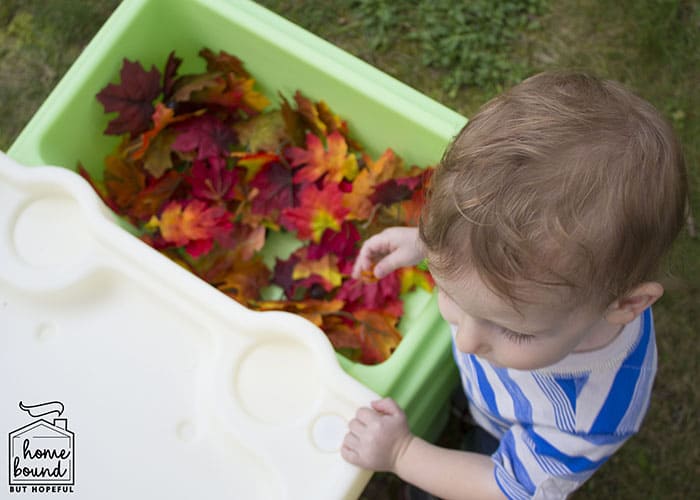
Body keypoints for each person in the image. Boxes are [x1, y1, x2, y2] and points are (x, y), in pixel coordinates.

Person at [341, 71, 688, 499]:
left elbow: (505, 488)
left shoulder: (588, 415)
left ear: (627, 303)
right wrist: (427, 246)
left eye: (514, 330)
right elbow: (474, 256)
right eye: (448, 288)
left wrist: (402, 453)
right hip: (496, 394)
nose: (465, 340)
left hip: (508, 436)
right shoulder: (545, 301)